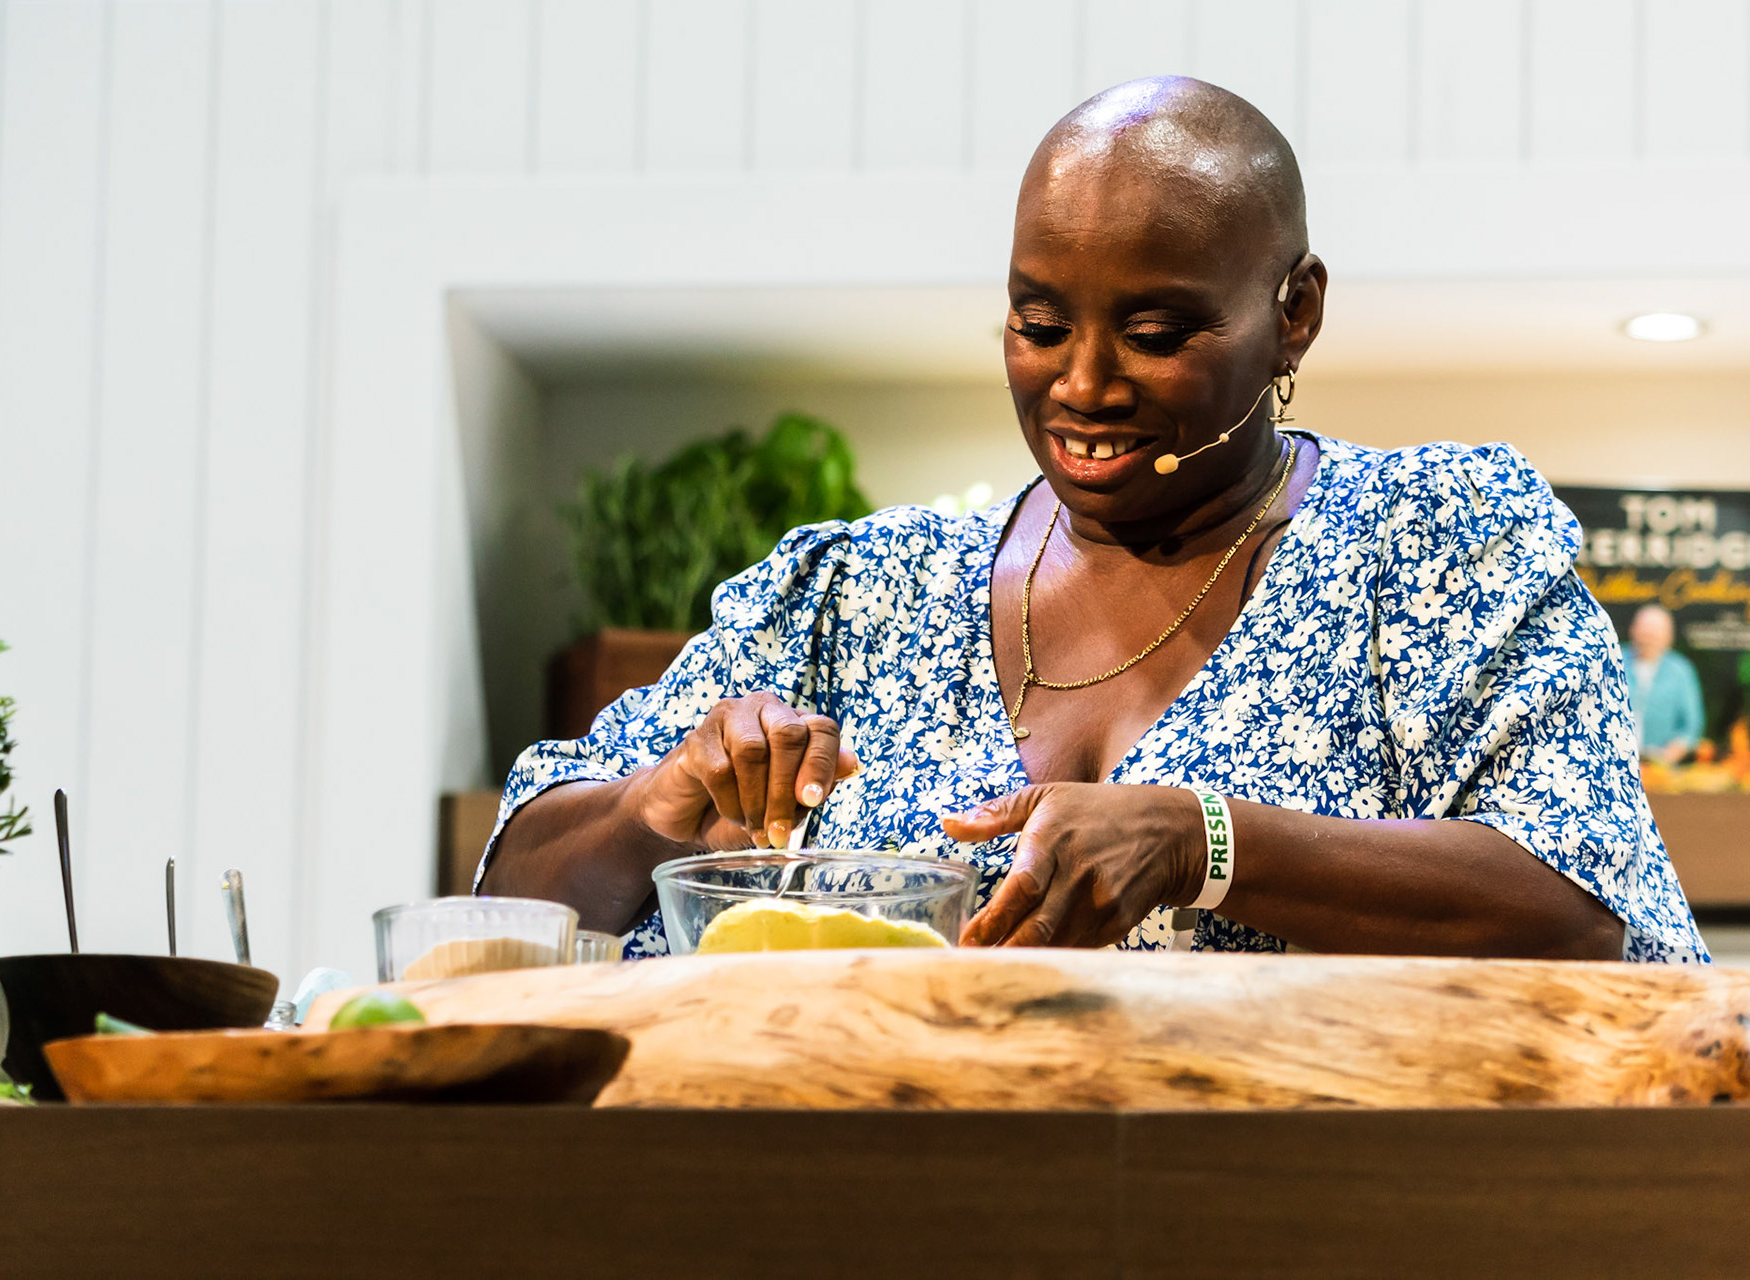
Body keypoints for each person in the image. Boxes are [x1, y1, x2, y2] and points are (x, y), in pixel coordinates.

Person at [479, 77, 1704, 964]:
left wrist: (1205, 841)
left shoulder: (1437, 543)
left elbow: (1584, 901)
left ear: (1296, 313)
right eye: (1039, 322)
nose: (1085, 385)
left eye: (1158, 332)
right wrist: (663, 796)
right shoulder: (859, 593)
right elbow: (518, 894)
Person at [1620, 605, 1705, 766]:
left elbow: (1691, 724)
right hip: (1614, 762)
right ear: (1633, 630)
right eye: (1645, 630)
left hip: (1660, 766)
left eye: (1655, 633)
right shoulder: (1614, 661)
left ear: (1669, 637)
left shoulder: (1681, 670)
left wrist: (1669, 755)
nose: (1649, 638)